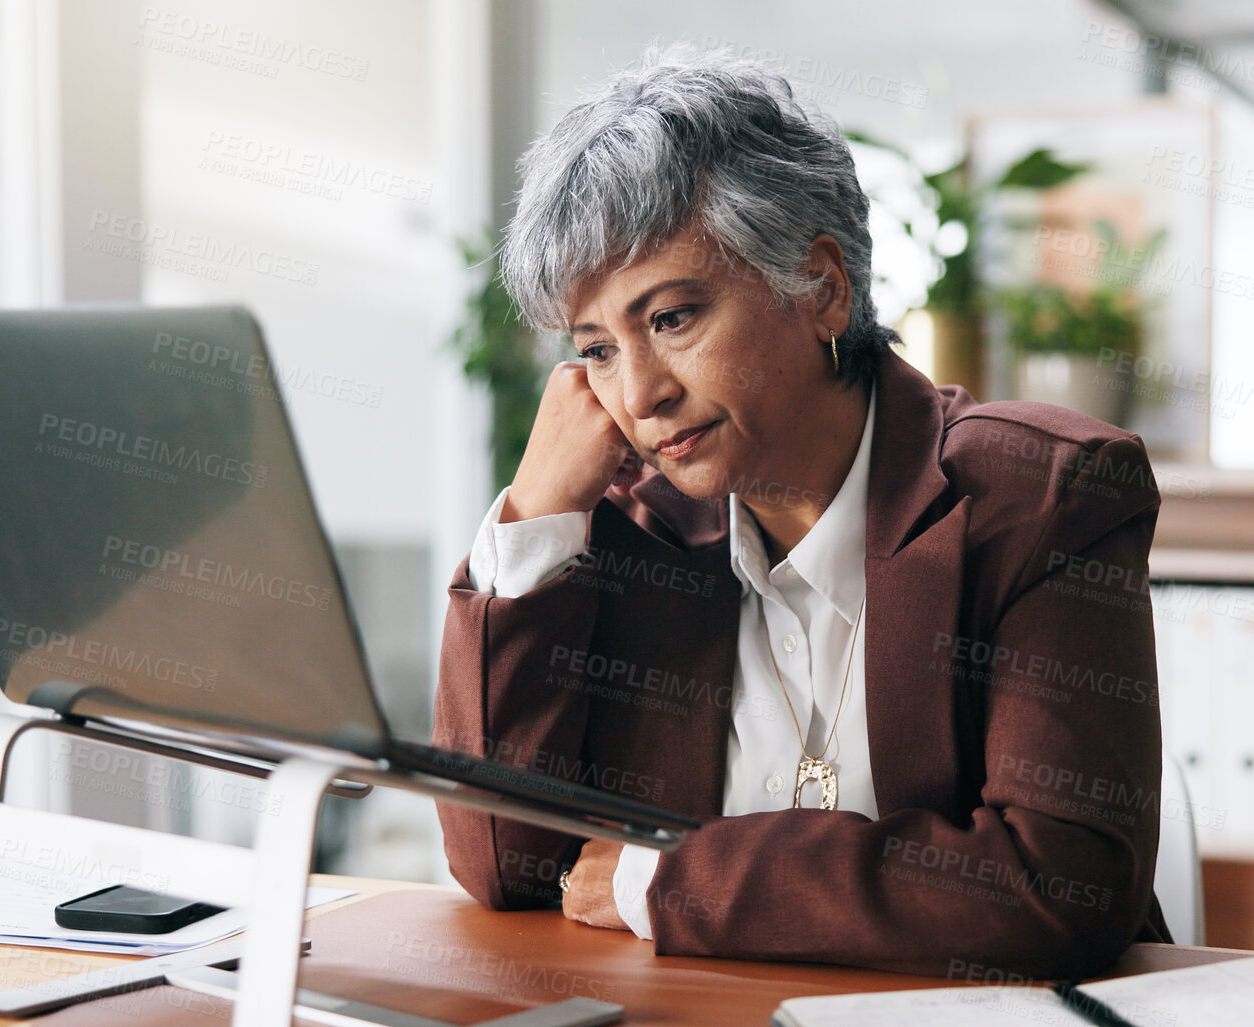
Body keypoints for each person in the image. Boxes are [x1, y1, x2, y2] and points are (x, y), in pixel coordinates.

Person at [433, 46, 1169, 979]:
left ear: (822, 286)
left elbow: (1057, 885)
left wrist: (667, 880)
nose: (640, 394)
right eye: (596, 350)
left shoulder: (1042, 497)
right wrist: (534, 514)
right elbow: (508, 861)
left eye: (670, 318)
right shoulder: (626, 529)